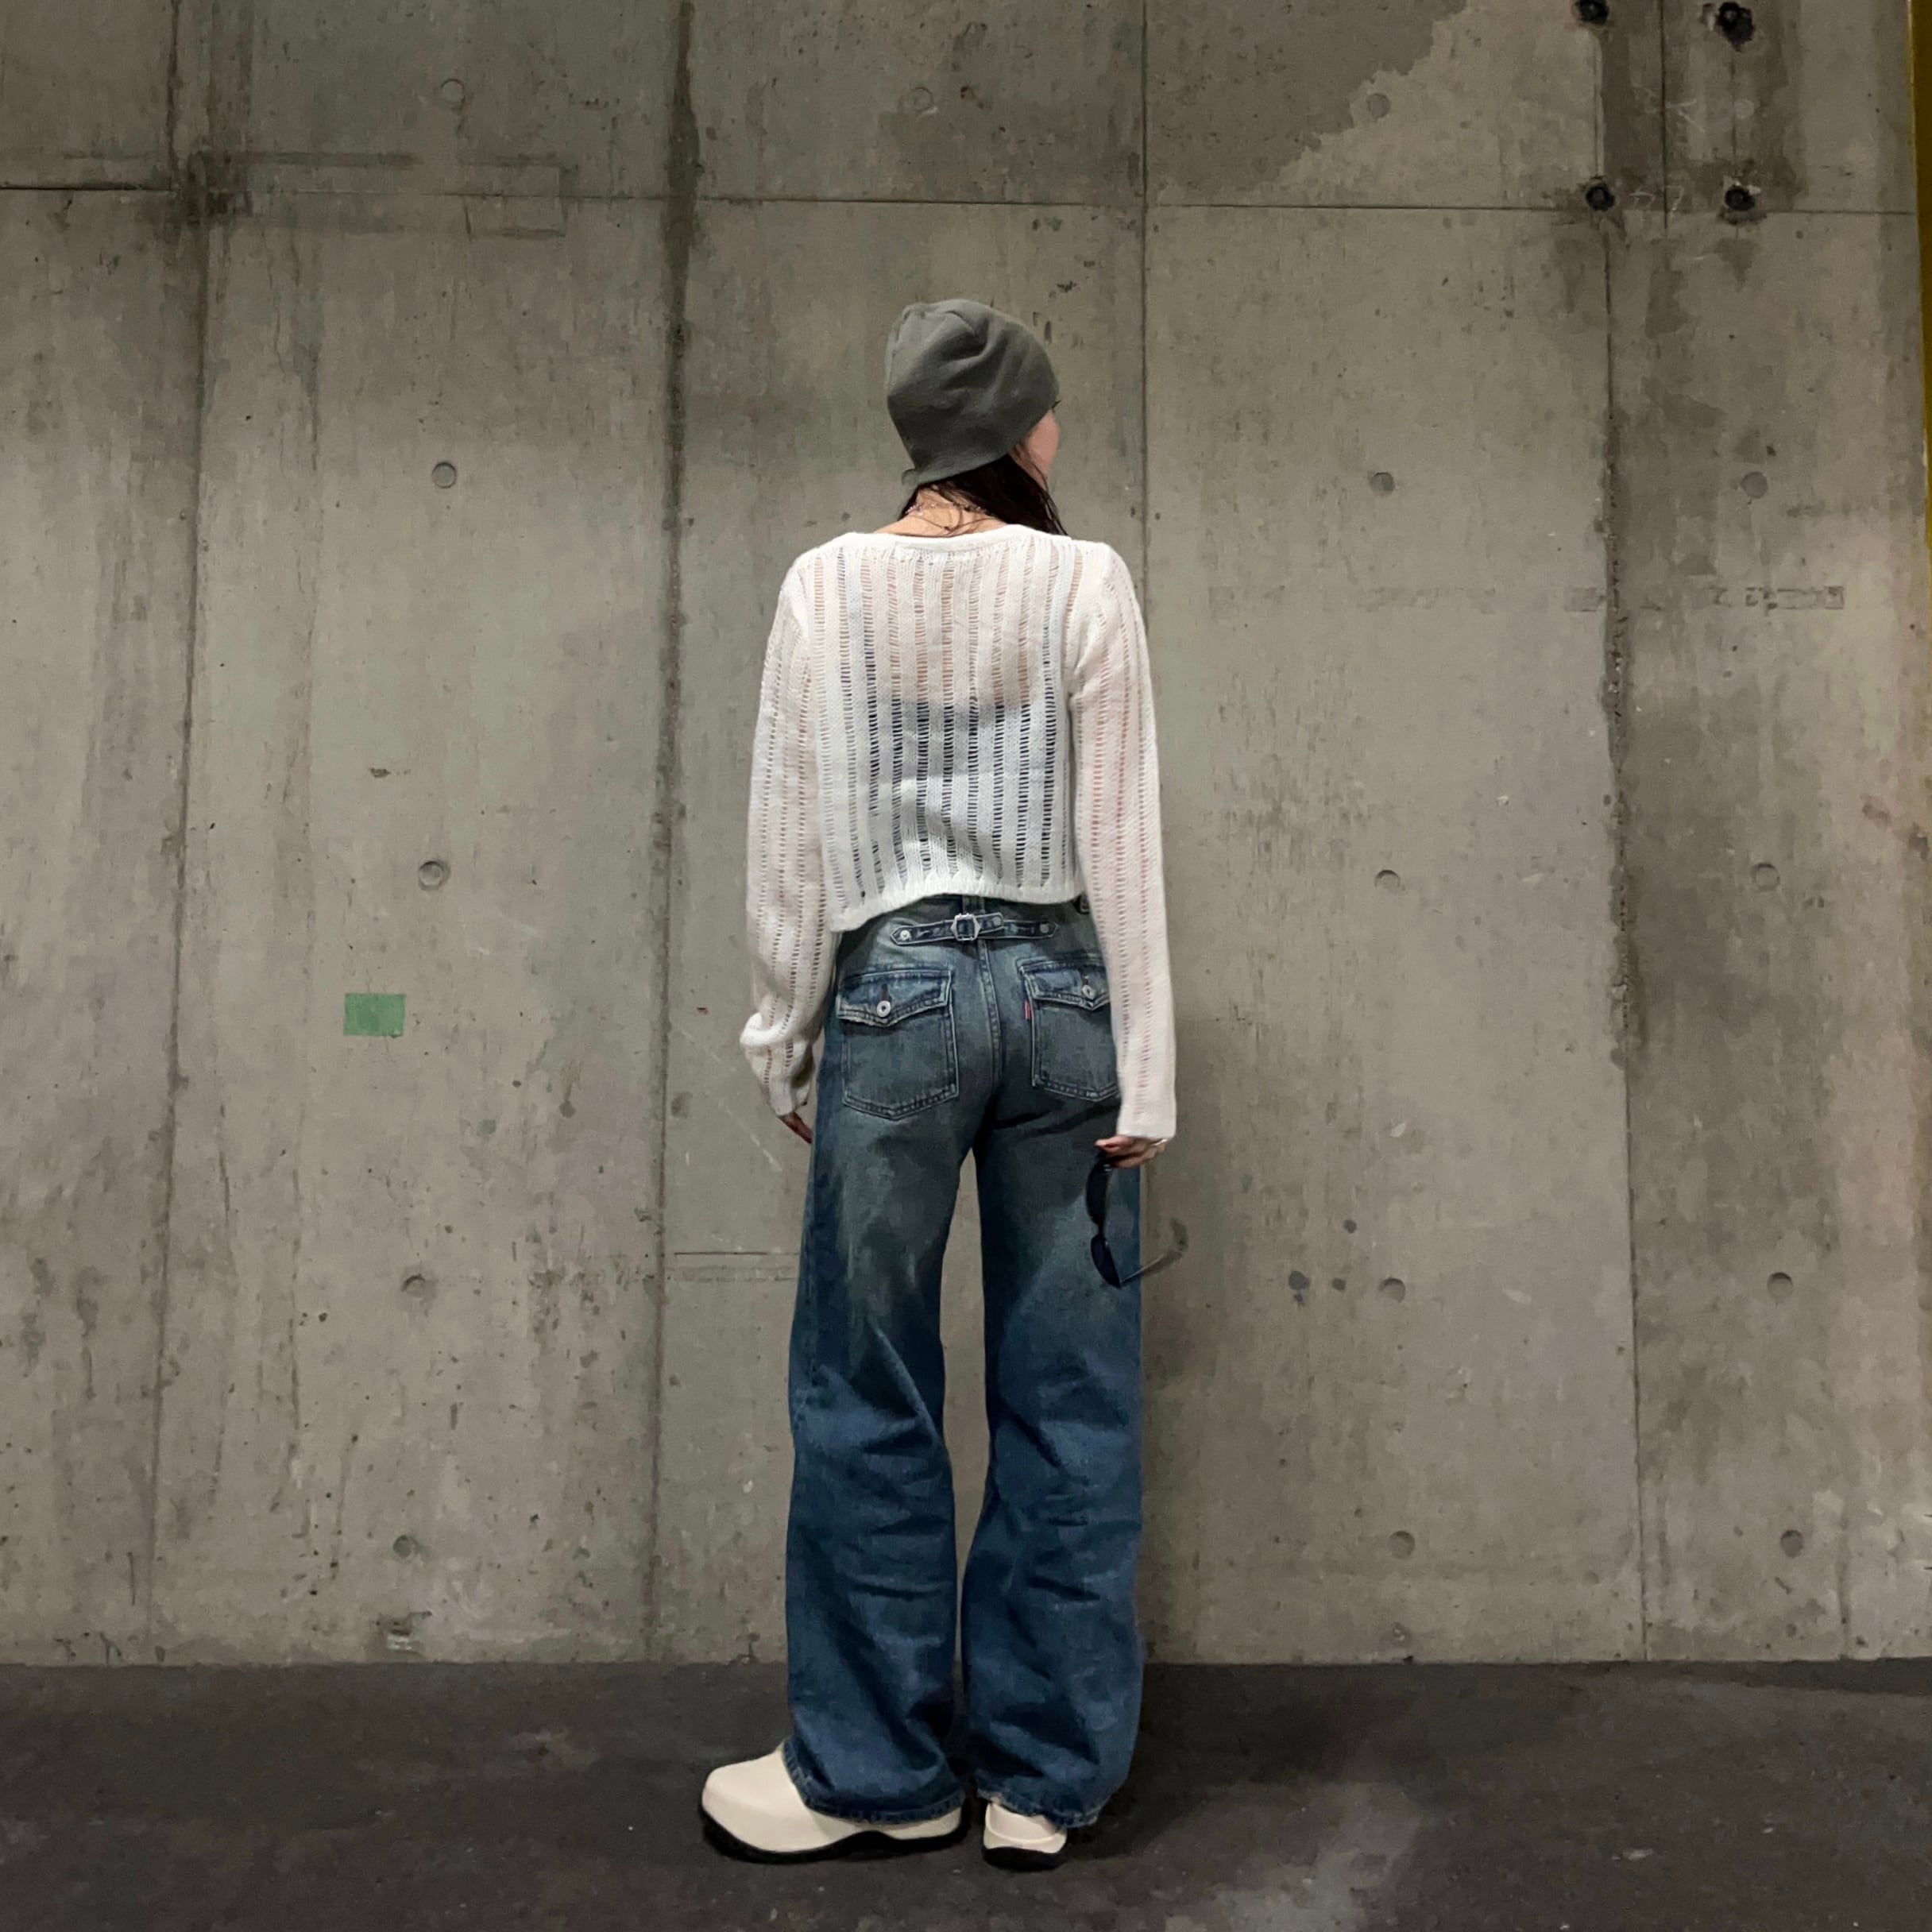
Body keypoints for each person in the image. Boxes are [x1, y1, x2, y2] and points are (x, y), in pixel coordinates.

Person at [700, 298, 1176, 1872]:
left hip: (892, 1000)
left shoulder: (826, 584)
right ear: (1018, 429)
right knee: (1069, 1390)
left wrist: (785, 1030)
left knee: (866, 1382)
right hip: (1064, 1000)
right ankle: (1041, 1780)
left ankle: (876, 1772)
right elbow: (1122, 833)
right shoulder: (1083, 580)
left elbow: (789, 832)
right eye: (1049, 412)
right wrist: (1147, 1066)